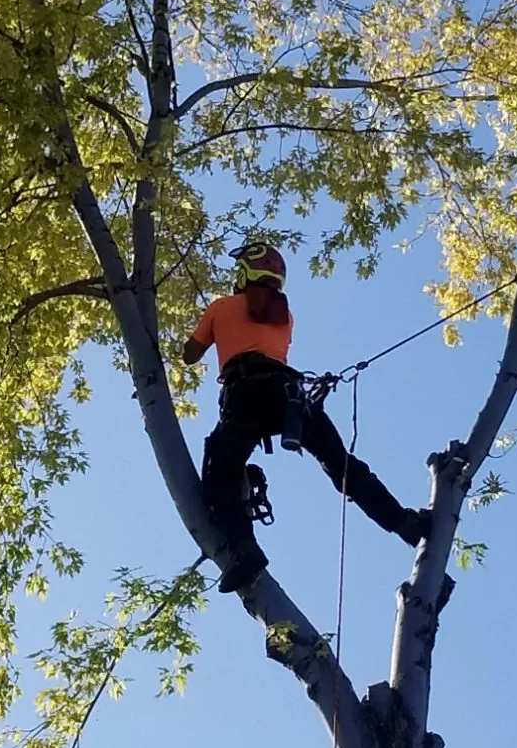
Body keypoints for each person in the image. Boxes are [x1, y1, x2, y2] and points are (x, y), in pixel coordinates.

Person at [182, 242, 430, 594]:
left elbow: (189, 355)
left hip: (244, 397)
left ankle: (245, 552)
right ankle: (404, 523)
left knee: (221, 476)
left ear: (244, 274)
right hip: (288, 397)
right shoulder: (285, 316)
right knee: (341, 466)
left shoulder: (222, 307)